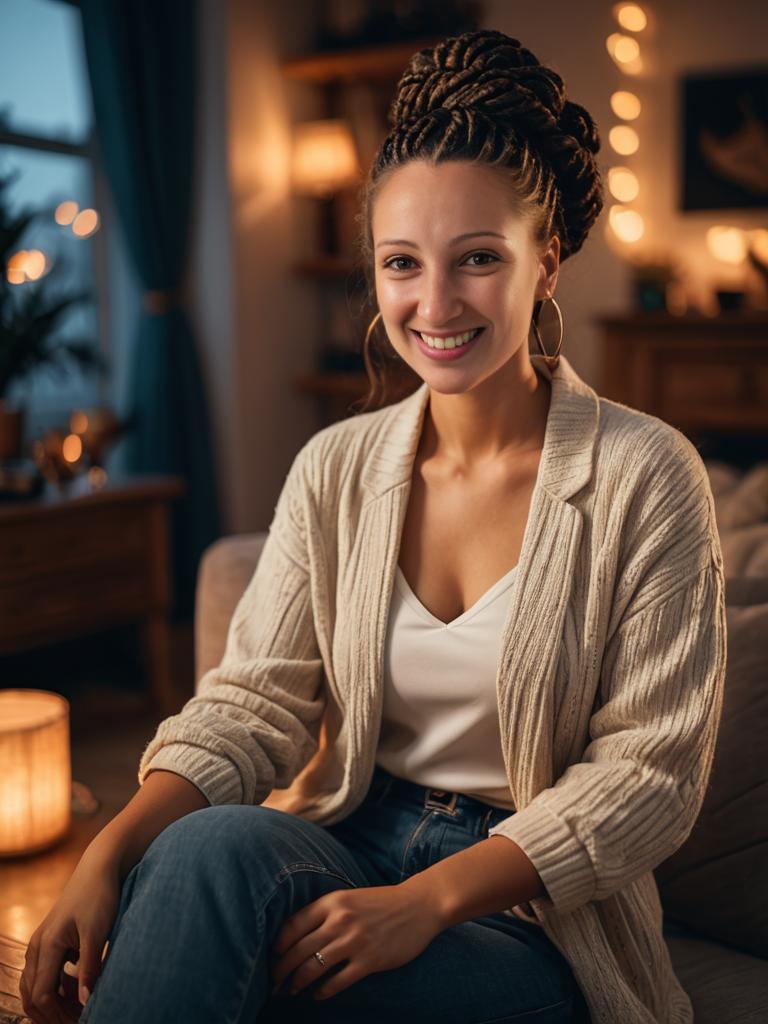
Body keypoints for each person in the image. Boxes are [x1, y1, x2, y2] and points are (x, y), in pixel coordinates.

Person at [20, 28, 726, 1024]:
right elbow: (251, 705)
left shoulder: (648, 476)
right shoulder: (336, 468)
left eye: (478, 258)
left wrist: (426, 901)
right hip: (353, 836)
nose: (434, 303)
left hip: (530, 916)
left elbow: (647, 777)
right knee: (201, 850)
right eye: (403, 263)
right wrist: (110, 852)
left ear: (548, 262)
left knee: (284, 989)